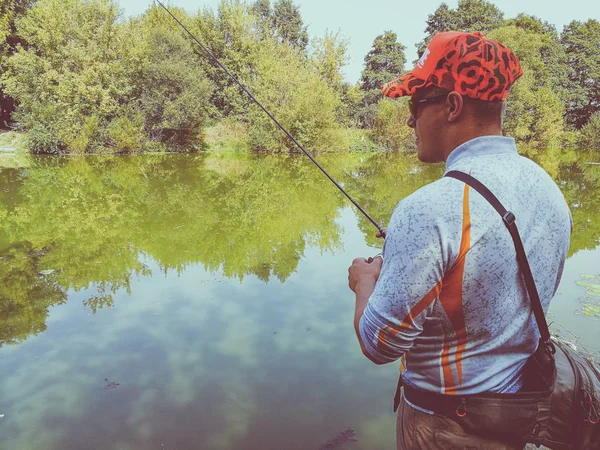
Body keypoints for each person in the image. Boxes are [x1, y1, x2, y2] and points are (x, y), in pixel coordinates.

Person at [347, 31, 572, 450]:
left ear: (452, 105)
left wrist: (364, 280)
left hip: (444, 428)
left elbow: (379, 343)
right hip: (518, 418)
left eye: (416, 104)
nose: (410, 120)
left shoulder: (430, 208)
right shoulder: (547, 189)